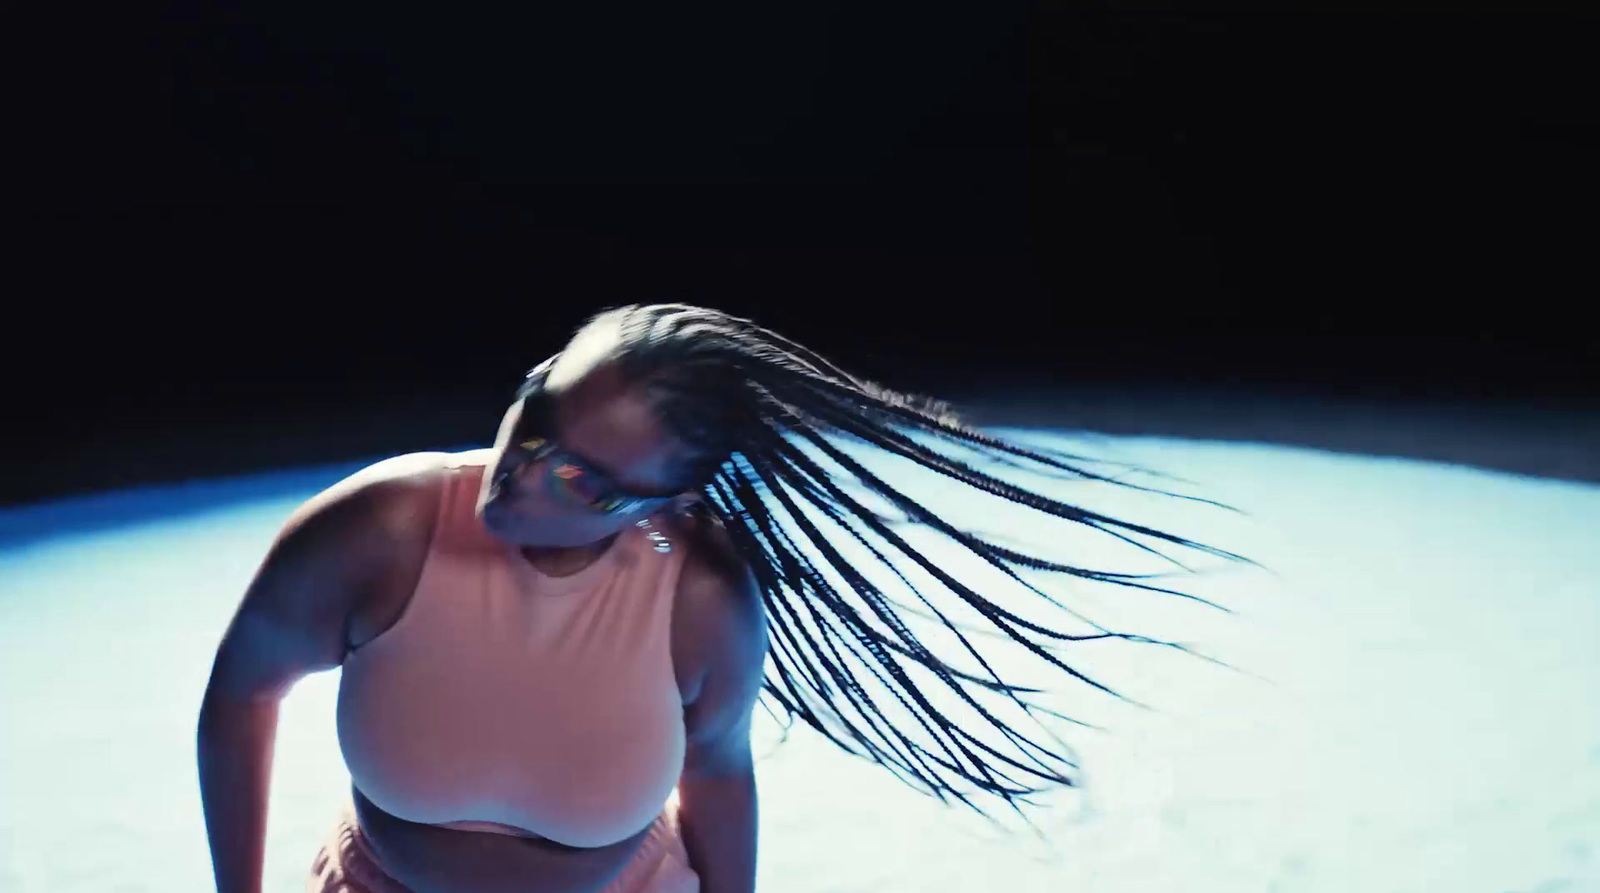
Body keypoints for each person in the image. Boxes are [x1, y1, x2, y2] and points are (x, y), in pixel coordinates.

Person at [197, 303, 1259, 893]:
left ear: (665, 500)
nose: (519, 472)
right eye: (536, 416)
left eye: (585, 479)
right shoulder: (377, 529)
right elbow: (241, 693)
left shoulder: (699, 596)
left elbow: (717, 771)